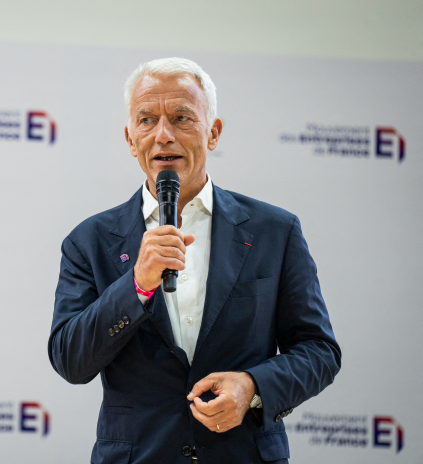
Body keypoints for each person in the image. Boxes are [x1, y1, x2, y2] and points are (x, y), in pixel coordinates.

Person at [48, 57, 341, 464]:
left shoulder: (275, 231)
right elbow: (70, 359)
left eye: (182, 117)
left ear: (213, 133)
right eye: (147, 120)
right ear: (131, 139)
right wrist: (136, 284)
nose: (163, 135)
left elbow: (318, 351)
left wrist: (252, 387)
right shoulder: (90, 241)